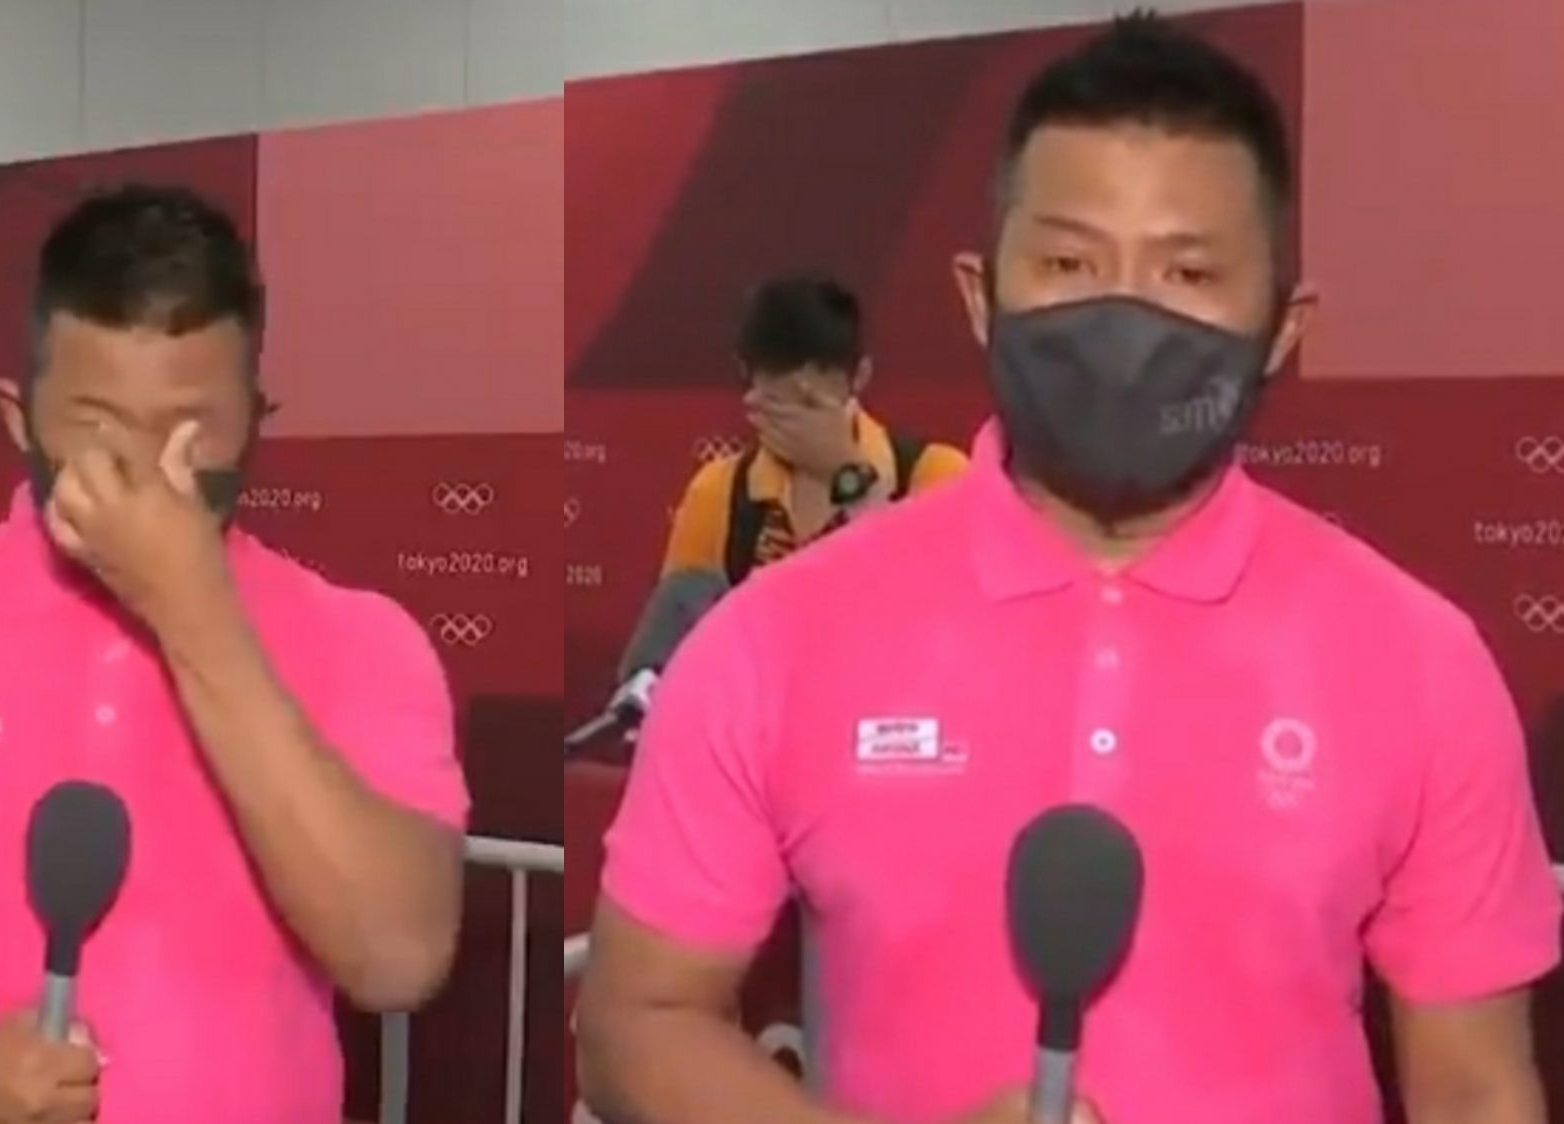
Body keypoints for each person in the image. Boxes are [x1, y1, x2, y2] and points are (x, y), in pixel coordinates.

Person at [580, 15, 1557, 1124]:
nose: (1123, 319)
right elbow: (636, 1021)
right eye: (1066, 263)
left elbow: (1477, 1088)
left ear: (1283, 329)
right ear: (980, 296)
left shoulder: (1417, 660)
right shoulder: (777, 635)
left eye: (1188, 271)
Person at [0, 185, 469, 1124]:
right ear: (20, 418)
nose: (142, 470)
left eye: (190, 428)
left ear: (257, 418)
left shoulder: (364, 643)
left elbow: (398, 956)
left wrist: (192, 609)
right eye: (98, 424)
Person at [660, 276, 966, 586]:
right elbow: (682, 613)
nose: (803, 427)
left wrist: (847, 475)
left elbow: (948, 601)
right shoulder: (718, 493)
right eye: (783, 406)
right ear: (749, 384)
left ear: (860, 376)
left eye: (813, 405)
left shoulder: (937, 476)